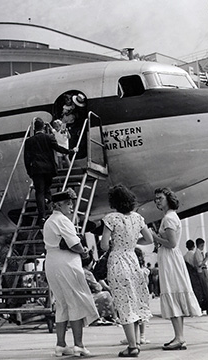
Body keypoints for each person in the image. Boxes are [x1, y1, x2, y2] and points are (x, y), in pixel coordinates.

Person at [43, 189, 98, 357]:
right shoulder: (63, 220)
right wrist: (85, 253)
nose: (72, 207)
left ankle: (60, 345)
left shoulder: (49, 221)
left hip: (52, 262)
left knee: (61, 303)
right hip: (66, 263)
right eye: (68, 203)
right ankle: (79, 345)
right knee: (76, 301)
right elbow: (74, 244)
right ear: (58, 205)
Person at [100, 184, 153, 357]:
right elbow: (149, 239)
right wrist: (132, 244)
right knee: (135, 301)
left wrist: (116, 245)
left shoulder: (111, 218)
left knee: (124, 303)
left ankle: (132, 346)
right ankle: (136, 341)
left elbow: (103, 245)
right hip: (133, 260)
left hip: (117, 261)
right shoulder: (138, 218)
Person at [151, 188, 202, 351]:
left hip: (170, 258)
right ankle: (178, 336)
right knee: (173, 294)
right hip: (170, 258)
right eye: (156, 199)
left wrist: (153, 236)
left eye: (160, 198)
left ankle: (180, 337)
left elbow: (171, 243)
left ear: (168, 199)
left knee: (172, 293)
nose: (157, 201)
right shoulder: (170, 217)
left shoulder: (168, 218)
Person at [24, 117, 75, 226]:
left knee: (40, 192)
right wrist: (71, 151)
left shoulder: (29, 141)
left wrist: (29, 172)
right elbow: (58, 148)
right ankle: (48, 203)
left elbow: (26, 159)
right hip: (48, 169)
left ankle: (42, 216)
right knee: (47, 189)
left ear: (34, 128)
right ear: (43, 127)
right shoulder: (49, 137)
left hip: (36, 170)